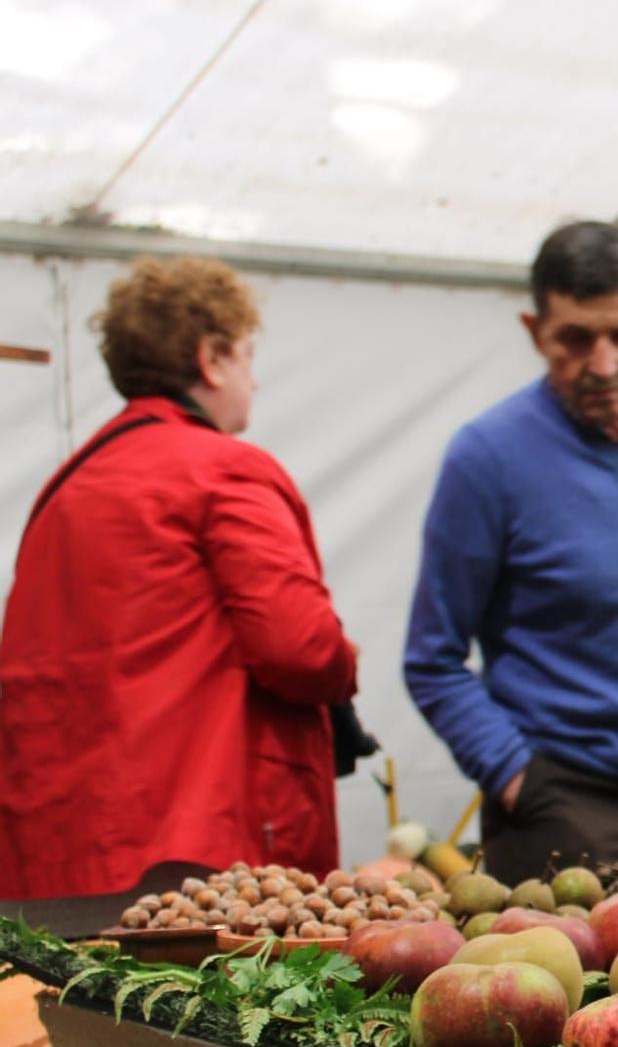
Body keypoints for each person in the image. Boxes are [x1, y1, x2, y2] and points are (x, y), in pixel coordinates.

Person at [405, 222, 618, 885]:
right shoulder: (487, 457)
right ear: (535, 331)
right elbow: (432, 659)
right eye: (574, 339)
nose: (602, 364)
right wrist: (519, 778)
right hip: (568, 797)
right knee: (582, 987)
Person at [0, 258, 358, 900]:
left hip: (58, 855)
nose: (253, 377)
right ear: (212, 358)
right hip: (199, 858)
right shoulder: (223, 470)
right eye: (248, 355)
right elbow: (301, 650)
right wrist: (344, 664)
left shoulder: (67, 487)